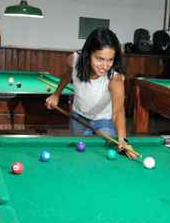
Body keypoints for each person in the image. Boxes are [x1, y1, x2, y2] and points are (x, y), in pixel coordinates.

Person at [44, 28, 135, 157]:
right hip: (78, 117)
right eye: (100, 59)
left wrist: (123, 140)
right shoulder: (74, 60)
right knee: (79, 157)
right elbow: (67, 74)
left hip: (105, 120)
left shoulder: (115, 78)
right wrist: (56, 94)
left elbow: (118, 112)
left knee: (106, 157)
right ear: (88, 54)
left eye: (110, 60)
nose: (105, 65)